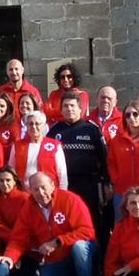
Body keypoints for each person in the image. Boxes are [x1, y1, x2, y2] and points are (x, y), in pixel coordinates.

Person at [10, 173, 98, 276]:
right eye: (35, 189)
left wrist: (56, 242)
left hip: (78, 250)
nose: (40, 192)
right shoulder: (28, 208)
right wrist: (9, 258)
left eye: (43, 187)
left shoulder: (71, 200)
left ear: (52, 186)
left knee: (79, 247)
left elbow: (87, 231)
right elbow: (18, 238)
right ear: (30, 191)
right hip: (57, 258)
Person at [49, 93, 109, 243]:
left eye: (72, 106)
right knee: (65, 221)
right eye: (65, 106)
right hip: (64, 186)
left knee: (92, 221)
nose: (69, 109)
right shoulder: (54, 132)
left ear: (80, 109)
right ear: (61, 109)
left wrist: (107, 182)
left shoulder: (92, 129)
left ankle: (95, 260)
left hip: (89, 185)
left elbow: (104, 158)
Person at [10, 110, 68, 190]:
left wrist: (62, 193)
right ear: (26, 126)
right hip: (24, 193)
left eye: (37, 124)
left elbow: (62, 174)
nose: (33, 127)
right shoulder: (17, 146)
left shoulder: (55, 146)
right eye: (30, 124)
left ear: (43, 126)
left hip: (48, 193)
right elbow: (11, 171)